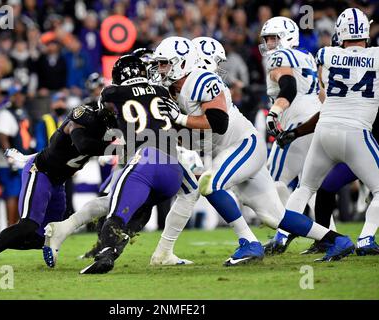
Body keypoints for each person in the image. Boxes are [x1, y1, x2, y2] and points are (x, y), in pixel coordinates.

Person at [153, 36, 354, 264]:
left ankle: (248, 243)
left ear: (182, 63)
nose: (160, 69)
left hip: (243, 145)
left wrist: (178, 118)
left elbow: (219, 122)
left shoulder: (201, 80)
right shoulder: (173, 91)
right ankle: (337, 240)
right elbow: (192, 137)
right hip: (232, 151)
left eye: (164, 63)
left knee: (210, 184)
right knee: (274, 216)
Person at [0, 103, 115, 272]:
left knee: (42, 238)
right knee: (28, 225)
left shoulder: (109, 127)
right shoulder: (82, 117)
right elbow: (83, 145)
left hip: (58, 182)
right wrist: (120, 149)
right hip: (40, 172)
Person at [278, 8, 379, 259]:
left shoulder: (325, 54)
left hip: (324, 131)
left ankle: (281, 236)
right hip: (357, 132)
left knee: (304, 188)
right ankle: (366, 238)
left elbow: (325, 95)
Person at [78, 55, 184, 274]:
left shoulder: (112, 92)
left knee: (116, 215)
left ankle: (106, 252)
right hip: (173, 169)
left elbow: (106, 121)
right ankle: (113, 250)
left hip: (145, 160)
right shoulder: (162, 91)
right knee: (141, 210)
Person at [258, 16, 322, 253]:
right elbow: (322, 94)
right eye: (267, 39)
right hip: (316, 122)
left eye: (273, 38)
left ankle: (283, 234)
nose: (270, 44)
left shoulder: (280, 57)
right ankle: (327, 236)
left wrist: (274, 112)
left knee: (272, 183)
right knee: (308, 185)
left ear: (287, 37)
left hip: (296, 124)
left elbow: (289, 87)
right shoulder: (307, 56)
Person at [0, 84, 34, 225]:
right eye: (15, 94)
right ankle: (11, 227)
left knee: (21, 194)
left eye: (21, 94)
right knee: (12, 194)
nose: (19, 97)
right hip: (9, 162)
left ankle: (17, 228)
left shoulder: (22, 111)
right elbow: (2, 137)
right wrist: (11, 158)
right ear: (10, 96)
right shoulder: (5, 113)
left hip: (21, 159)